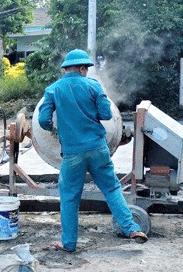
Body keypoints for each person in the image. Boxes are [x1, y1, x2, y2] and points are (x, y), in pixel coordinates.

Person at [37, 49, 148, 252]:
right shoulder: (93, 86)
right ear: (81, 68)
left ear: (66, 68)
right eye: (86, 69)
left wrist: (56, 128)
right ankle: (131, 228)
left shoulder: (53, 90)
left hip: (72, 153)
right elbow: (106, 114)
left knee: (70, 198)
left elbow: (43, 121)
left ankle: (69, 243)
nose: (86, 72)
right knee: (112, 189)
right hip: (98, 149)